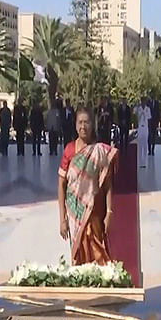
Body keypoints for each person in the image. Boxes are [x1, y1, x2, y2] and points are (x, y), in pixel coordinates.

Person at [58, 106, 118, 265]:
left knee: (98, 256)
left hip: (95, 213)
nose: (83, 126)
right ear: (75, 124)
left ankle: (98, 288)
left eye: (86, 122)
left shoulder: (99, 152)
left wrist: (109, 213)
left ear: (93, 124)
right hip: (75, 213)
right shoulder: (69, 150)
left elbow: (108, 185)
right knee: (78, 255)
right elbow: (61, 185)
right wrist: (62, 218)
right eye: (80, 122)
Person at [134, 97, 151, 168]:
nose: (143, 102)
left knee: (145, 144)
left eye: (144, 101)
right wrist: (137, 107)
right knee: (140, 144)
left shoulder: (148, 109)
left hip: (146, 127)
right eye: (142, 101)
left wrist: (144, 113)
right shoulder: (138, 108)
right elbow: (134, 112)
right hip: (140, 127)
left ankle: (145, 161)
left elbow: (149, 117)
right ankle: (140, 162)